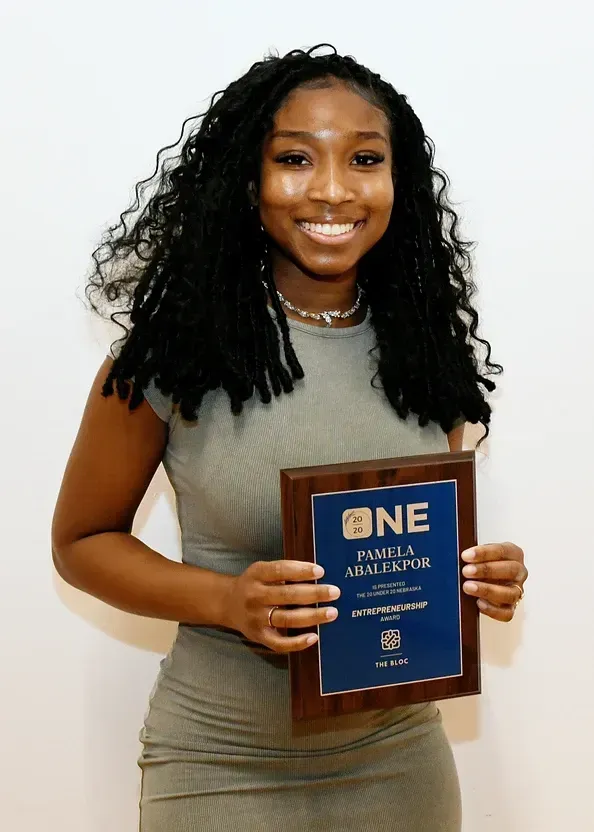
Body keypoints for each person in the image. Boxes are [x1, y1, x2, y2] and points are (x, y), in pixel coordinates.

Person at [51, 44, 528, 832]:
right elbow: (81, 541)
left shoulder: (426, 348)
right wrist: (226, 600)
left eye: (365, 159)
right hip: (221, 761)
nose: (334, 189)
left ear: (396, 184)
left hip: (400, 759)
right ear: (249, 181)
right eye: (296, 159)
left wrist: (477, 578)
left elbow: (403, 550)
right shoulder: (173, 354)